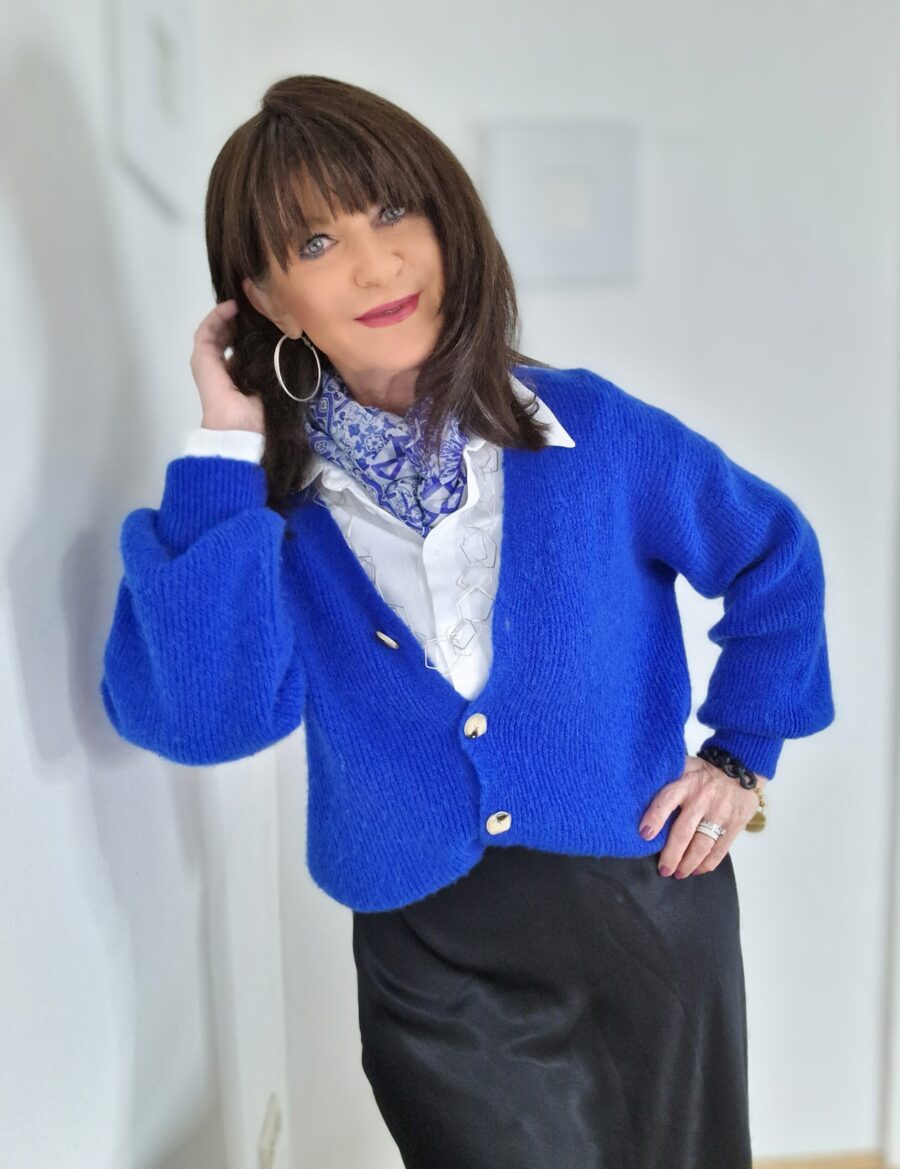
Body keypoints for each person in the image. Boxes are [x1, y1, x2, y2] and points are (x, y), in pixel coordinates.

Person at [99, 74, 835, 1168]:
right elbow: (208, 721)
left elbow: (773, 551)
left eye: (394, 210)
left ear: (448, 224)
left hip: (646, 908)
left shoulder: (593, 432)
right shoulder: (265, 515)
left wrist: (741, 752)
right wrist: (223, 447)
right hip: (435, 959)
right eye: (316, 242)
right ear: (265, 297)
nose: (375, 263)